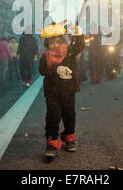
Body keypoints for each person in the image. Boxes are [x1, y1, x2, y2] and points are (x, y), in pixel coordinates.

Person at [39, 23, 85, 159]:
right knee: (53, 117)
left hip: (69, 91)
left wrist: (79, 34)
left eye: (57, 39)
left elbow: (79, 47)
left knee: (69, 115)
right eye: (51, 39)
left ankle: (69, 137)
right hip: (52, 93)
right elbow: (42, 70)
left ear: (61, 39)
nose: (54, 42)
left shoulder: (69, 51)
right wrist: (54, 70)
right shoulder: (46, 56)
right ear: (48, 41)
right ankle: (52, 142)